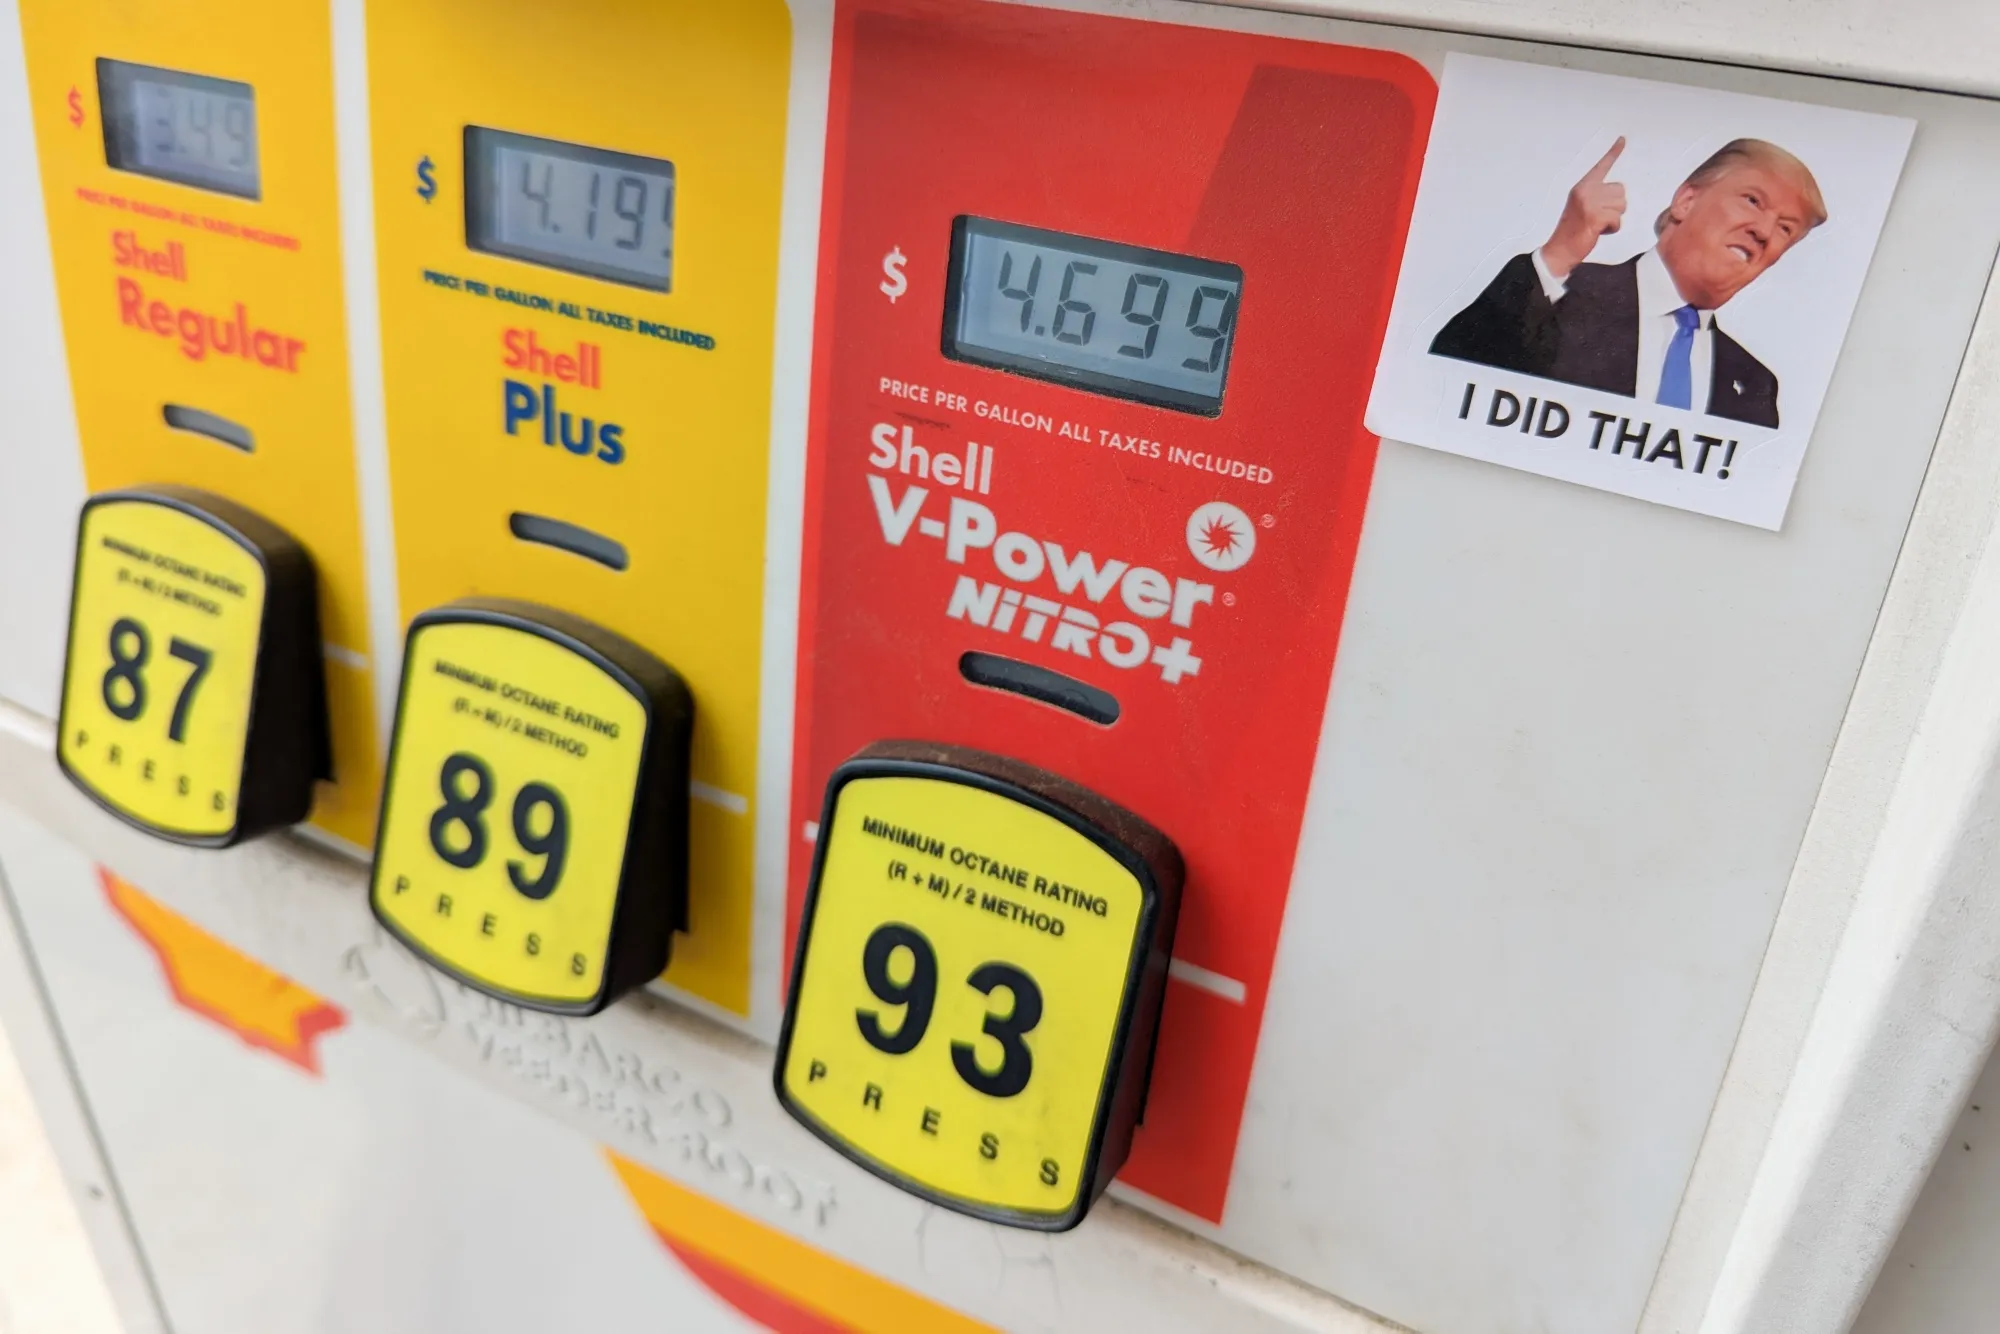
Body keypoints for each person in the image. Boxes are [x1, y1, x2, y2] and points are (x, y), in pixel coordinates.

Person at [1429, 137, 1827, 428]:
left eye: (1785, 228)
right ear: (1686, 200)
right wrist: (1559, 253)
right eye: (1753, 201)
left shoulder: (1755, 386)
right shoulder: (1558, 293)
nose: (1763, 230)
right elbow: (1445, 381)